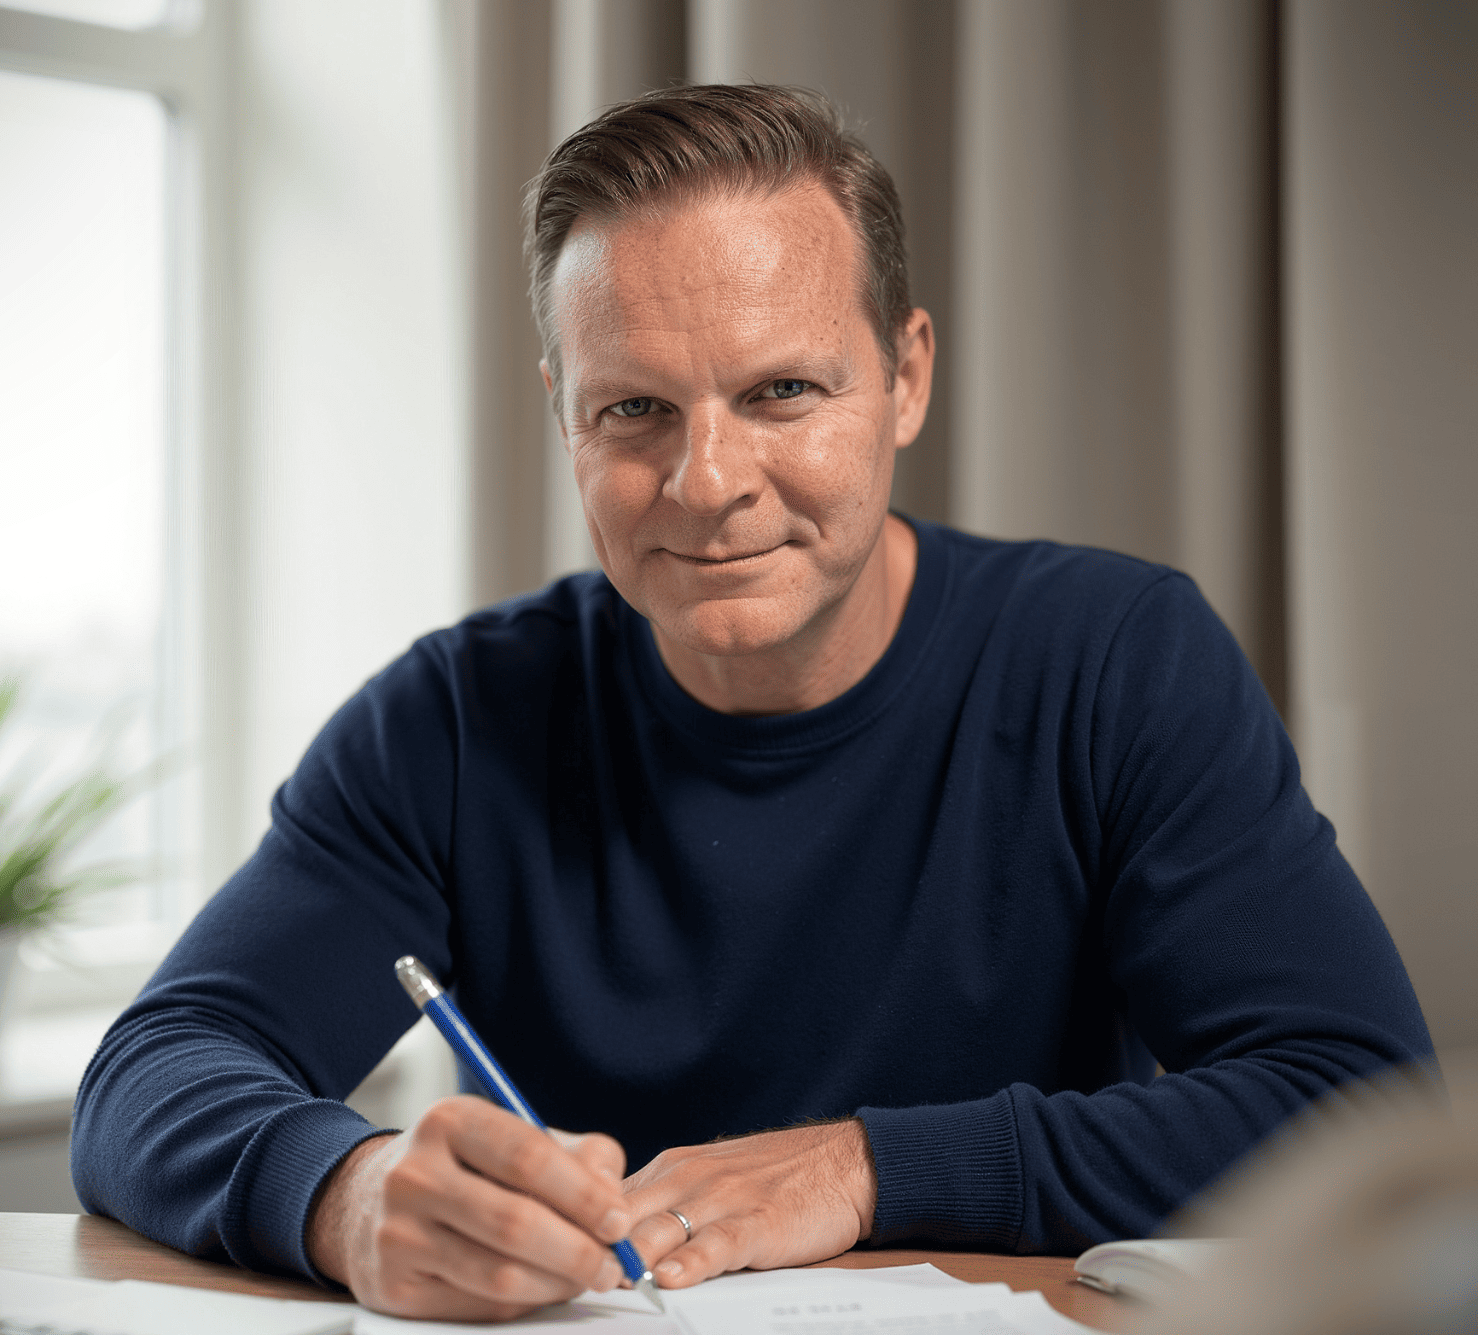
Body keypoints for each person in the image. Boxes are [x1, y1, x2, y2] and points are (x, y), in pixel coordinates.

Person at [70, 84, 1433, 1322]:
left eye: (782, 391)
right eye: (635, 412)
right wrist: (349, 1194)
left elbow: (1357, 1102)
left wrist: (869, 1168)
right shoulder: (452, 717)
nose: (707, 481)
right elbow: (156, 1070)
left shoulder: (1116, 659)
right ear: (564, 418)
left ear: (904, 377)